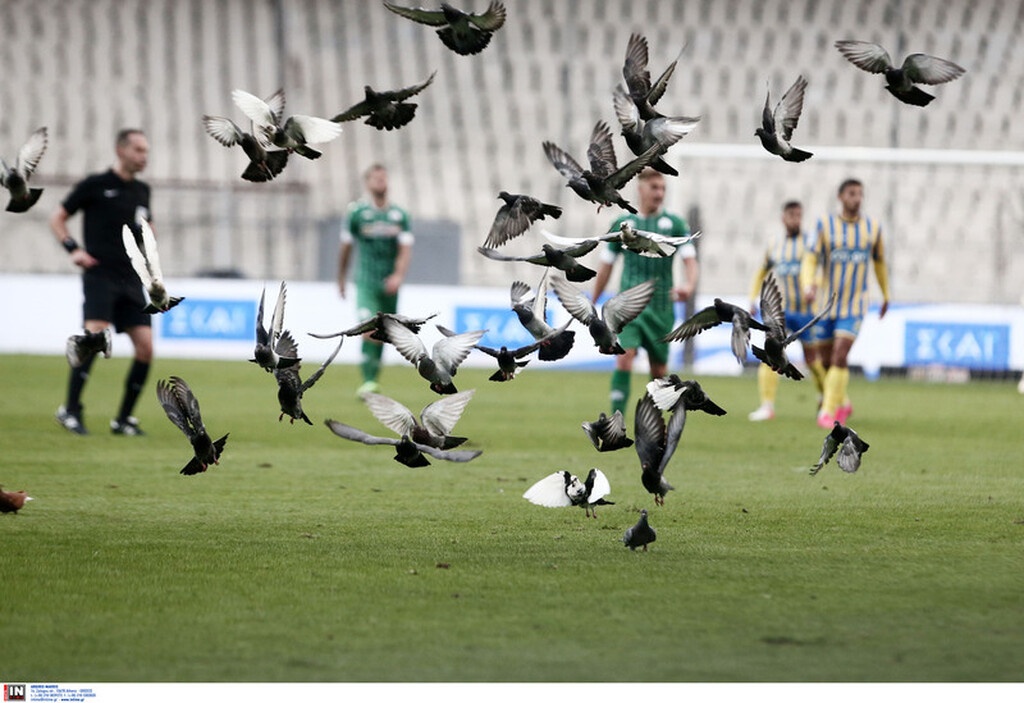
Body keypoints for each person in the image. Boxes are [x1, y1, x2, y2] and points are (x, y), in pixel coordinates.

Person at [51, 128, 154, 436]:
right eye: (138, 150)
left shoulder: (143, 190)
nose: (144, 156)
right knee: (93, 340)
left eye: (146, 151)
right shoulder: (95, 185)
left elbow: (148, 230)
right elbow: (57, 218)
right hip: (100, 275)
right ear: (121, 150)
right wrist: (73, 249)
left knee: (146, 348)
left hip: (131, 278)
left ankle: (123, 419)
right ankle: (70, 410)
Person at [592, 167, 699, 416]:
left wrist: (689, 286)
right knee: (624, 356)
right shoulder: (622, 224)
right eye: (654, 188)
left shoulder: (675, 224)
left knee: (659, 371)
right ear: (640, 189)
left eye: (662, 188)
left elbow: (690, 260)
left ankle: (654, 423)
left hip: (662, 307)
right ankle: (616, 420)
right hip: (628, 306)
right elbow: (606, 265)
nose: (659, 193)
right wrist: (593, 301)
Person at [800, 178, 890, 429]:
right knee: (826, 361)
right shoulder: (824, 225)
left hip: (855, 305)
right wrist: (808, 284)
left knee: (840, 354)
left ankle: (827, 412)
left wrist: (886, 294)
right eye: (851, 193)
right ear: (840, 197)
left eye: (860, 194)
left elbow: (880, 264)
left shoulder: (873, 228)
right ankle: (843, 401)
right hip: (827, 303)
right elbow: (810, 258)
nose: (856, 198)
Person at [337, 164, 413, 397]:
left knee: (383, 331)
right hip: (366, 282)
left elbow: (405, 250)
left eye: (384, 178)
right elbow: (346, 247)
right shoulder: (357, 213)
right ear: (368, 183)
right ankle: (368, 380)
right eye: (376, 178)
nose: (381, 182)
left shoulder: (399, 215)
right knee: (368, 327)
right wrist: (341, 277)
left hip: (389, 284)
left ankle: (372, 380)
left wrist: (398, 276)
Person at [747, 200, 827, 421]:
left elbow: (821, 270)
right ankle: (767, 406)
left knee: (812, 360)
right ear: (783, 218)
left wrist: (815, 285)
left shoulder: (810, 243)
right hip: (782, 312)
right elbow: (761, 272)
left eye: (799, 215)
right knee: (770, 355)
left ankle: (825, 397)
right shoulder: (775, 244)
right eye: (791, 215)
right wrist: (752, 298)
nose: (795, 219)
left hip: (806, 311)